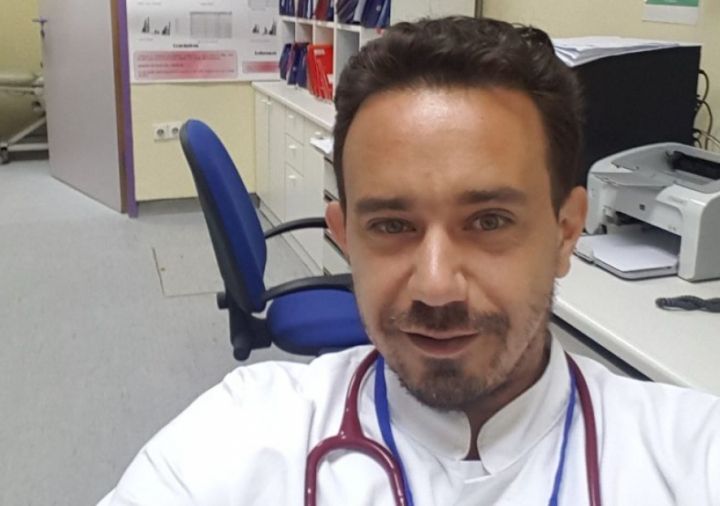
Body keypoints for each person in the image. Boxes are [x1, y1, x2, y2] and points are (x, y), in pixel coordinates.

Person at [99, 16, 720, 505]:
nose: (436, 286)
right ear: (344, 237)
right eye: (392, 226)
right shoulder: (241, 436)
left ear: (565, 232)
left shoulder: (692, 454)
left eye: (489, 221)